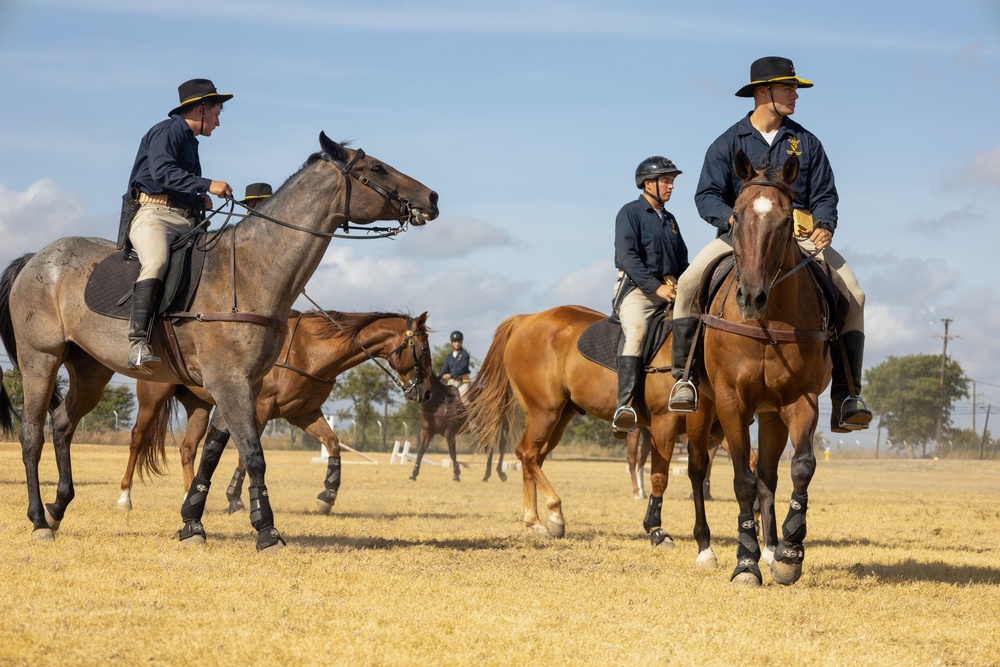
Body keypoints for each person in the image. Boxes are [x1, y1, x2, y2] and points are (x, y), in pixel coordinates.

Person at [668, 56, 872, 434]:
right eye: (788, 88)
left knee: (855, 295)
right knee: (689, 285)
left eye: (794, 89)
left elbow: (826, 193)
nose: (795, 95)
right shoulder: (727, 142)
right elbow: (706, 195)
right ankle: (686, 379)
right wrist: (731, 219)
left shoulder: (806, 142)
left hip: (801, 239)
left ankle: (847, 394)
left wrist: (825, 225)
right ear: (764, 92)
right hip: (740, 239)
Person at [120, 78, 234, 373]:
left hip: (183, 219)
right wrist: (208, 184)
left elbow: (178, 184)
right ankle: (137, 343)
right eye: (217, 113)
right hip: (154, 215)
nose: (218, 122)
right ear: (201, 110)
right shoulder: (168, 131)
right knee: (156, 262)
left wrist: (199, 201)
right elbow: (162, 174)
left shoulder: (190, 142)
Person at [611, 157, 689, 434]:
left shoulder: (670, 220)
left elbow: (682, 261)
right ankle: (625, 404)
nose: (671, 186)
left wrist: (687, 284)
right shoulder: (629, 213)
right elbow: (627, 257)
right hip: (637, 289)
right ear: (648, 183)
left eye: (672, 181)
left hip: (670, 288)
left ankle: (684, 386)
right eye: (666, 180)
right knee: (637, 331)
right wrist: (655, 288)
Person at [439, 331, 472, 399]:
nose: (457, 344)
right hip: (451, 382)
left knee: (465, 400)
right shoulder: (449, 356)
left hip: (463, 382)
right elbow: (444, 369)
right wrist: (438, 376)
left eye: (459, 341)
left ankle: (469, 409)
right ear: (452, 342)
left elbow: (462, 369)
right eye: (455, 341)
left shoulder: (465, 355)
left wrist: (450, 375)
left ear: (461, 342)